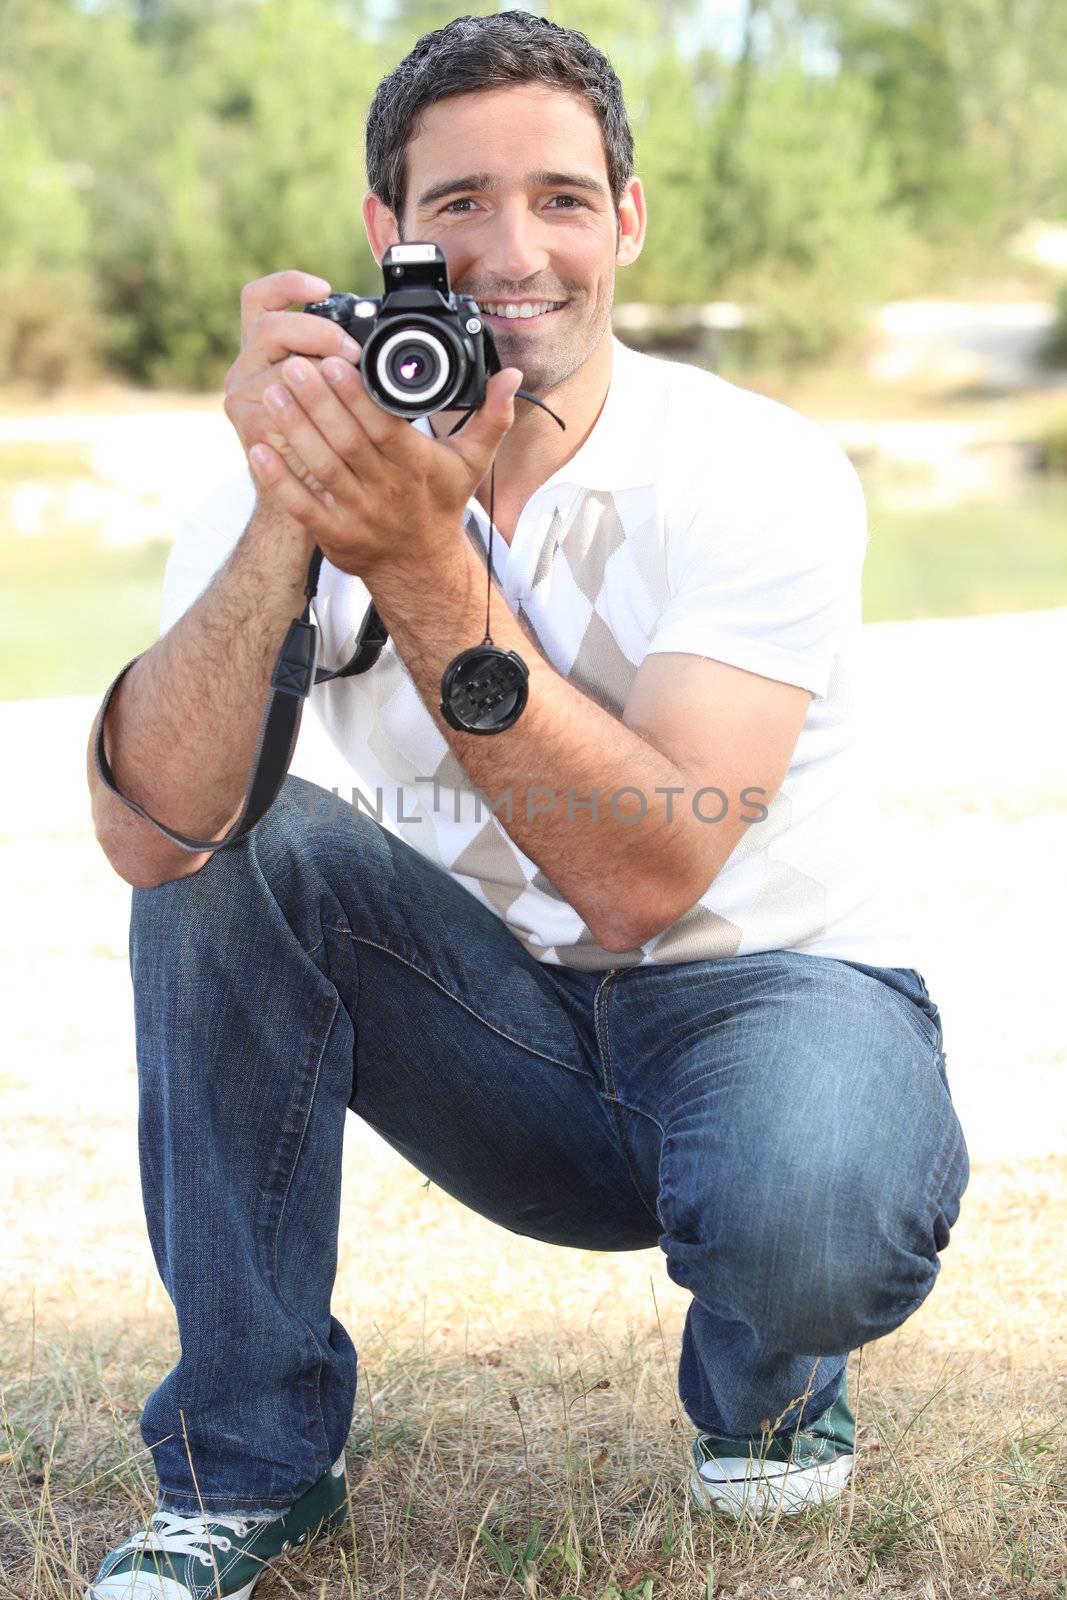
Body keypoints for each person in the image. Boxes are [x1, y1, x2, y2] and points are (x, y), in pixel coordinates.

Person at [84, 12, 970, 1597]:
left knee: (807, 1207)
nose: (513, 251)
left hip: (765, 993)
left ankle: (774, 1375)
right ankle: (244, 1462)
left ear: (626, 218)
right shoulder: (287, 456)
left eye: (562, 198)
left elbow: (648, 878)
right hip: (489, 1020)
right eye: (458, 206)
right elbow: (155, 834)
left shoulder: (754, 467)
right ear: (383, 238)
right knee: (241, 845)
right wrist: (295, 513)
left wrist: (420, 559)